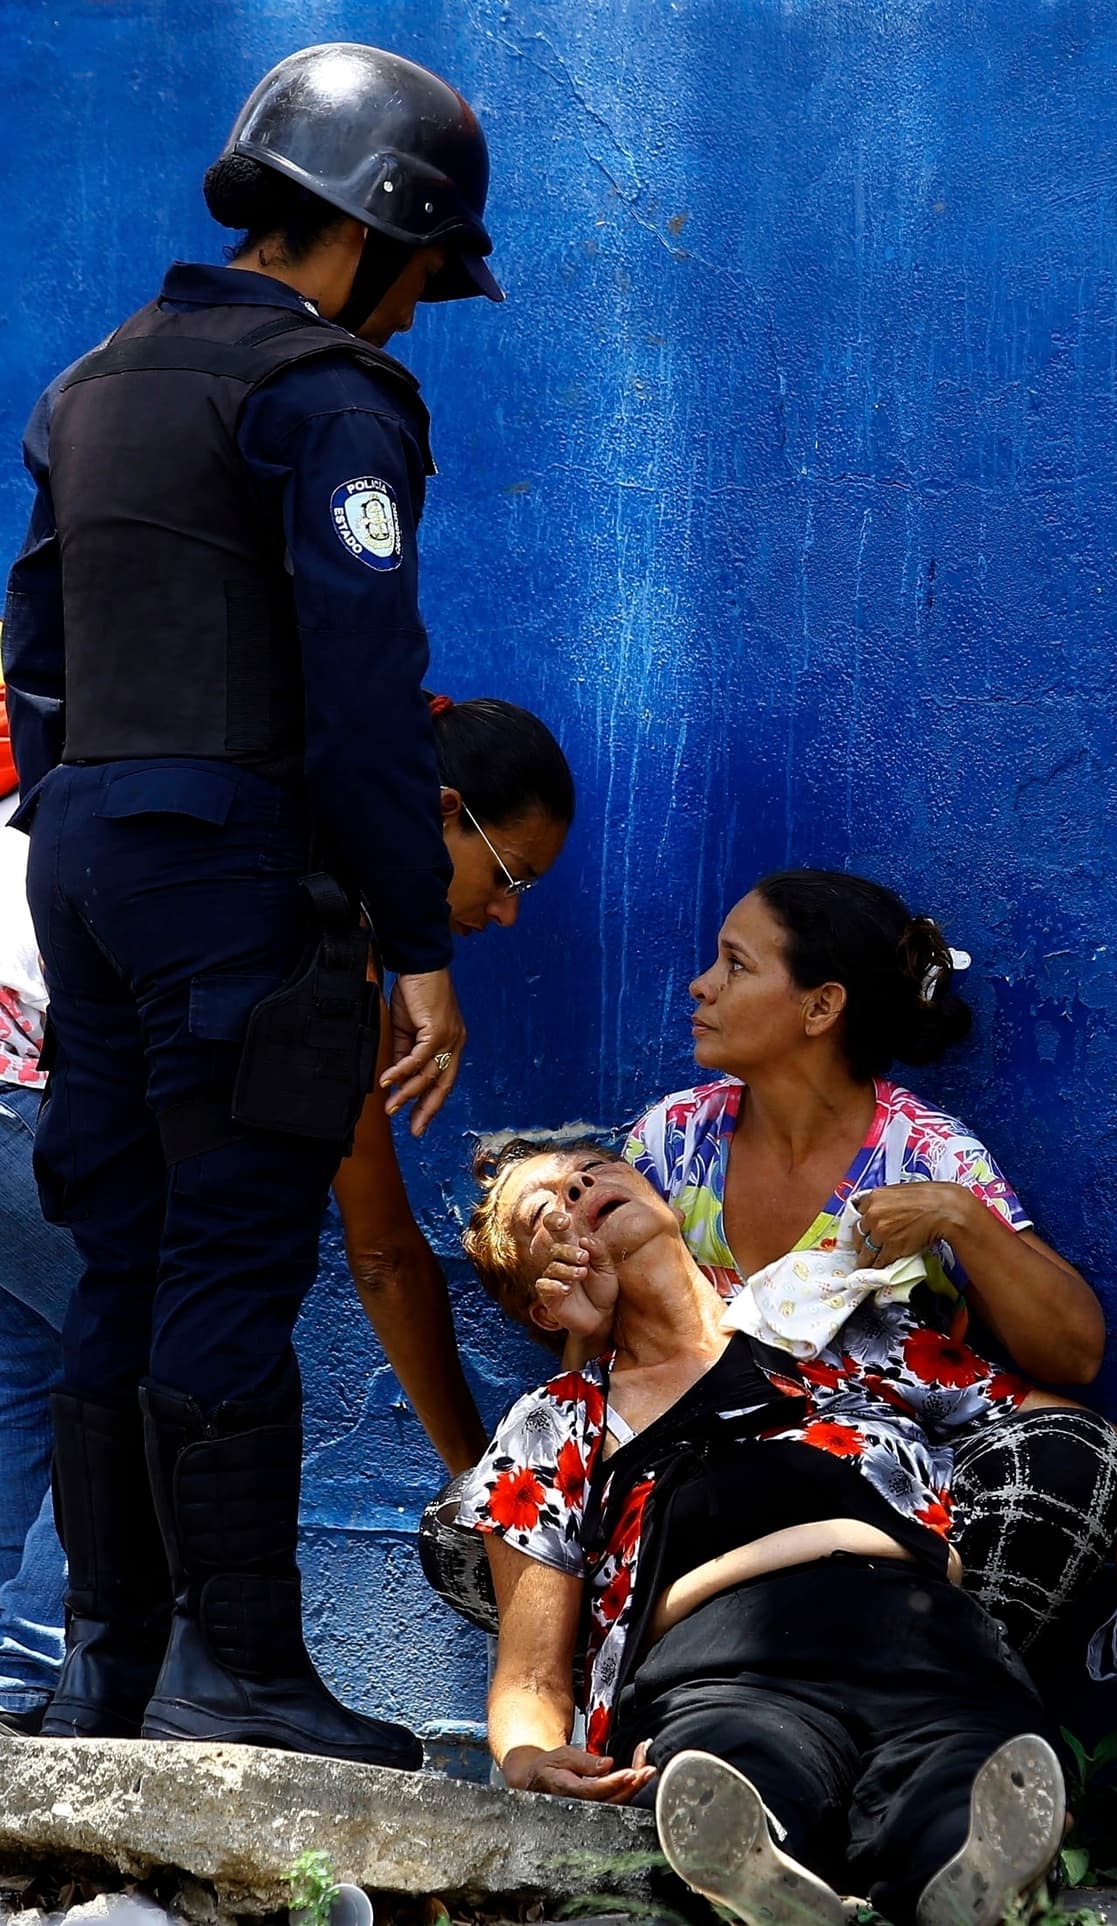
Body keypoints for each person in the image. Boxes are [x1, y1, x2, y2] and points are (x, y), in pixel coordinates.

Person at [1, 42, 505, 1768]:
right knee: (232, 1249)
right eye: (428, 270)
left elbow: (40, 666)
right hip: (232, 861)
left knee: (121, 1257)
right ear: (373, 230)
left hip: (78, 852)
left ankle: (103, 1671)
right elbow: (367, 696)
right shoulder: (327, 396)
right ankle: (241, 1668)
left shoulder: (90, 384)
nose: (422, 312)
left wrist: (93, 822)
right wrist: (417, 947)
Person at [535, 869, 1117, 1787]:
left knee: (1064, 1459)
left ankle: (914, 1750)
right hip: (711, 1532)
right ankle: (709, 1752)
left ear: (821, 1007)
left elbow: (1074, 1358)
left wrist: (963, 1218)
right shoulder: (670, 1142)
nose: (701, 985)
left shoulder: (923, 1154)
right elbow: (598, 1396)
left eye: (734, 964)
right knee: (474, 1526)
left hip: (883, 1538)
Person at [455, 1140, 1068, 1926]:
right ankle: (758, 1885)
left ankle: (969, 1874)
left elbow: (1070, 1431)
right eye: (550, 1212)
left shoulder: (843, 1328)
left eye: (593, 1170)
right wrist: (532, 1760)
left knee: (964, 1795)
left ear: (665, 1198)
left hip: (927, 1641)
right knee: (735, 1781)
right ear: (543, 1303)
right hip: (720, 1670)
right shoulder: (560, 1419)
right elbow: (531, 1677)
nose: (580, 1185)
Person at [335, 692, 575, 1477]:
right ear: (441, 812)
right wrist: (476, 1478)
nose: (505, 913)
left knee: (36, 1405)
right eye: (509, 875)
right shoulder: (324, 942)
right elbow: (382, 1258)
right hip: (32, 1105)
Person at [0, 823, 80, 1733]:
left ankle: (16, 1678)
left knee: (27, 1372)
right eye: (510, 876)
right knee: (154, 1355)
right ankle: (33, 1659)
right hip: (17, 1085)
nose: (500, 910)